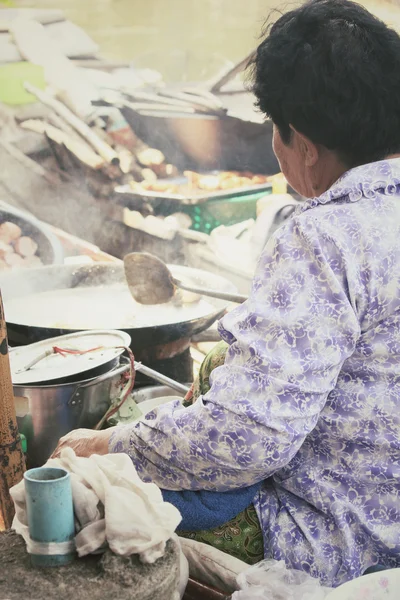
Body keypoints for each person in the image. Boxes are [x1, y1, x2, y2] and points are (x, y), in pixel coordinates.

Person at [52, 0, 400, 587]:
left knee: (90, 505)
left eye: (275, 130)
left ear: (305, 144)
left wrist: (108, 443)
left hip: (343, 533)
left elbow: (248, 439)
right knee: (218, 360)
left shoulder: (323, 238)